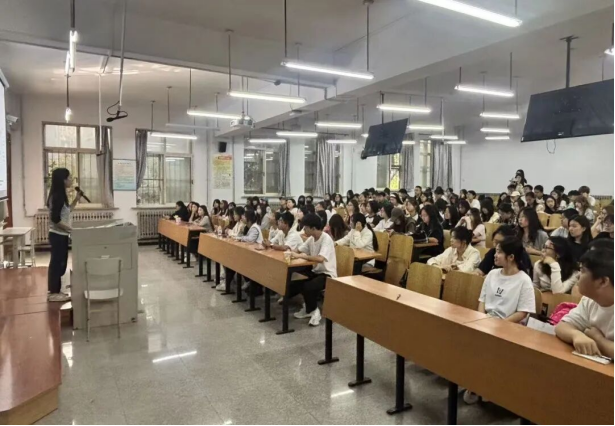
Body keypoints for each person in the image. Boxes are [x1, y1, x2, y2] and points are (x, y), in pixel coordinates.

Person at [465, 237, 537, 405]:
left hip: (509, 326)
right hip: (487, 321)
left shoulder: (523, 280)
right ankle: (475, 382)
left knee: (490, 345)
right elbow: (482, 301)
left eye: (498, 252)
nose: (494, 255)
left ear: (511, 257)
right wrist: (480, 319)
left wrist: (499, 325)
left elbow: (523, 312)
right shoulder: (492, 274)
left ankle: (488, 385)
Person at [555, 250, 613, 360]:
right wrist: (576, 335)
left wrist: (598, 339)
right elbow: (562, 326)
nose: (577, 276)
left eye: (582, 271)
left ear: (602, 281)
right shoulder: (589, 300)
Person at [290, 214, 338, 327]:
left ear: (313, 228)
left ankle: (315, 312)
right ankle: (308, 308)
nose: (304, 230)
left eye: (306, 227)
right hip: (316, 271)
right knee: (297, 281)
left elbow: (320, 259)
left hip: (327, 274)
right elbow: (299, 250)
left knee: (309, 286)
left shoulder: (326, 239)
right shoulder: (311, 239)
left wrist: (301, 256)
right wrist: (290, 252)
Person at [47, 168, 83, 302]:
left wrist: (76, 199)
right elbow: (56, 219)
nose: (71, 180)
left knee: (60, 264)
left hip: (61, 235)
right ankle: (53, 293)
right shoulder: (58, 196)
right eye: (69, 178)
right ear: (63, 180)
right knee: (57, 265)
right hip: (57, 236)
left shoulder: (60, 195)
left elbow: (67, 212)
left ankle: (56, 290)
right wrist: (71, 230)